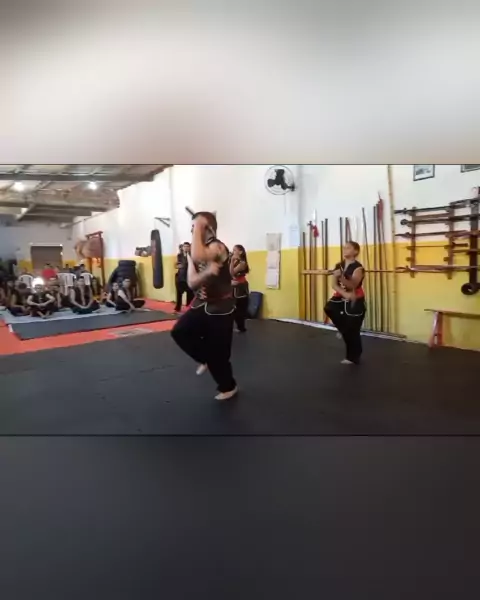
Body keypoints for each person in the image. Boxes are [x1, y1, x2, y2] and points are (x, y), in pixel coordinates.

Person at [170, 211, 238, 401]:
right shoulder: (194, 251)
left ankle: (229, 387)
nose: (192, 230)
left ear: (206, 227)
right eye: (192, 227)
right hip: (202, 304)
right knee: (180, 331)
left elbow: (200, 257)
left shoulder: (218, 246)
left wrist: (200, 223)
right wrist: (206, 274)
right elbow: (192, 282)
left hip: (221, 308)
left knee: (220, 355)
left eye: (195, 227)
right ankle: (205, 358)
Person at [324, 241, 366, 365]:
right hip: (341, 296)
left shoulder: (358, 268)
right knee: (329, 308)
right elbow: (333, 284)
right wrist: (344, 293)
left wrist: (341, 277)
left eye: (348, 248)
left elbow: (353, 285)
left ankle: (353, 357)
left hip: (355, 299)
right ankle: (343, 330)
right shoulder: (339, 265)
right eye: (344, 247)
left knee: (353, 330)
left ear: (355, 251)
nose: (344, 249)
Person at [230, 244, 250, 333]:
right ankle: (240, 326)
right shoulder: (235, 261)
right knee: (235, 307)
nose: (233, 252)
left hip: (241, 287)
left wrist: (231, 261)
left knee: (240, 307)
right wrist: (231, 261)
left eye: (235, 250)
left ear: (241, 252)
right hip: (235, 286)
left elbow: (232, 273)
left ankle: (241, 327)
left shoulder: (242, 263)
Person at [174, 242, 194, 314]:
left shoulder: (192, 255)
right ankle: (177, 307)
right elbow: (177, 264)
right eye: (184, 246)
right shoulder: (179, 255)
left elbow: (187, 264)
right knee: (179, 293)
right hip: (180, 277)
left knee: (190, 293)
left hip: (189, 277)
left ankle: (189, 307)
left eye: (187, 246)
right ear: (182, 248)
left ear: (190, 247)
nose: (186, 248)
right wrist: (177, 265)